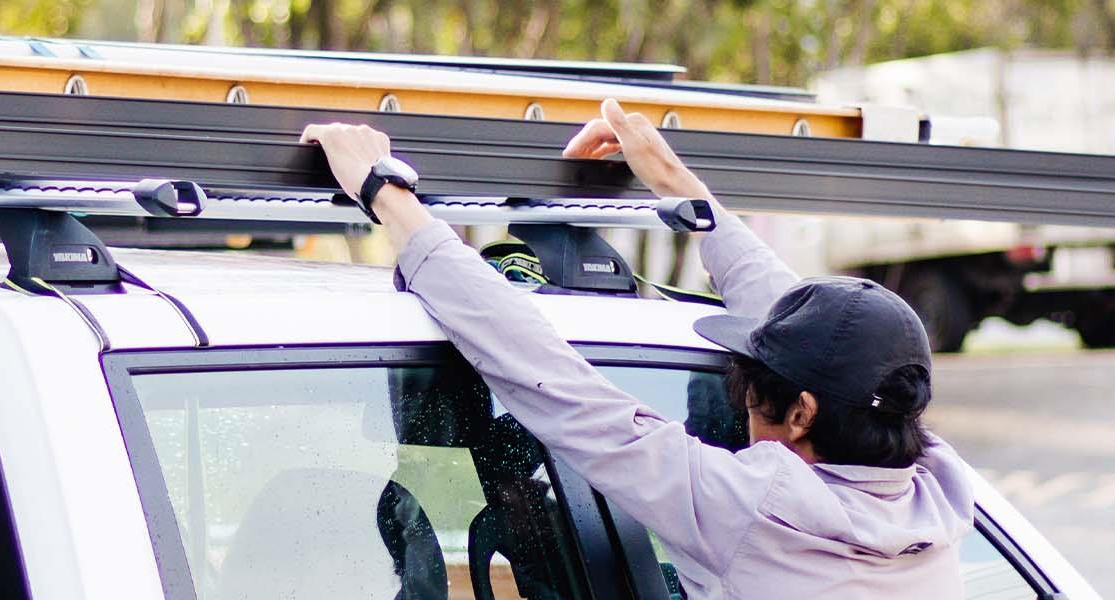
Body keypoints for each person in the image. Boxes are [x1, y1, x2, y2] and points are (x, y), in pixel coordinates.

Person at [301, 98, 977, 599]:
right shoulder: (937, 495)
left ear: (801, 414)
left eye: (747, 394)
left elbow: (547, 375)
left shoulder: (747, 507)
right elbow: (817, 328)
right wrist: (684, 193)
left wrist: (383, 194)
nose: (741, 414)